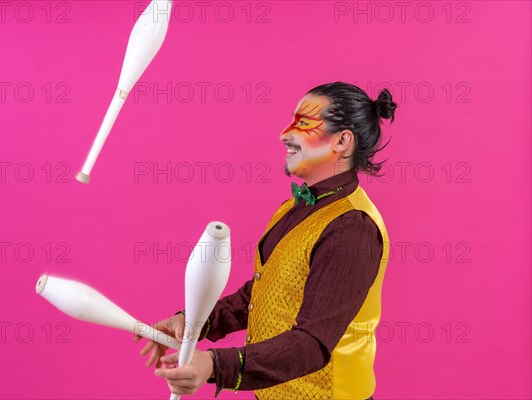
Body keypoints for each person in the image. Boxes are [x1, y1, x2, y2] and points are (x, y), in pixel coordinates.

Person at [135, 82, 397, 399]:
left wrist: (215, 365)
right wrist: (192, 324)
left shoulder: (352, 228)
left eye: (302, 124)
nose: (284, 134)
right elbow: (267, 293)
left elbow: (312, 343)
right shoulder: (299, 206)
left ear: (342, 141)